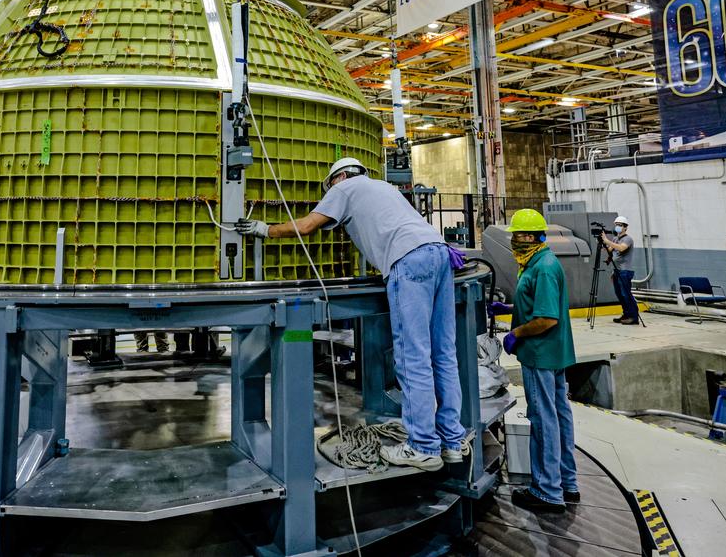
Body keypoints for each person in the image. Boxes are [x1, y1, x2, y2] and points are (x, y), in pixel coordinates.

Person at [236, 157, 466, 472]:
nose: (330, 192)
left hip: (407, 260)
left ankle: (423, 446)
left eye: (330, 185)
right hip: (439, 253)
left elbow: (307, 226)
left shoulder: (345, 188)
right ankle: (452, 441)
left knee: (413, 356)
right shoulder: (382, 187)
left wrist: (266, 229)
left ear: (340, 176)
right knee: (443, 354)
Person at [501, 209, 578, 514]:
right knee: (559, 415)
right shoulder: (537, 262)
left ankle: (547, 491)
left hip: (540, 354)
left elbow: (546, 319)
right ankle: (567, 483)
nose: (514, 240)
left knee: (543, 418)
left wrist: (516, 333)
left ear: (532, 236)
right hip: (553, 352)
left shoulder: (543, 267)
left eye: (518, 235)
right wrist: (508, 309)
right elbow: (537, 303)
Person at [601, 215, 640, 325]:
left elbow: (621, 248)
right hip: (617, 271)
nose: (617, 227)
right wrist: (603, 243)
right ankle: (626, 314)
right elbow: (610, 250)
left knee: (626, 294)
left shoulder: (628, 239)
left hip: (625, 271)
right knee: (619, 294)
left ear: (625, 227)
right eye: (616, 225)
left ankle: (633, 316)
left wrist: (607, 241)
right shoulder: (615, 239)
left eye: (620, 225)